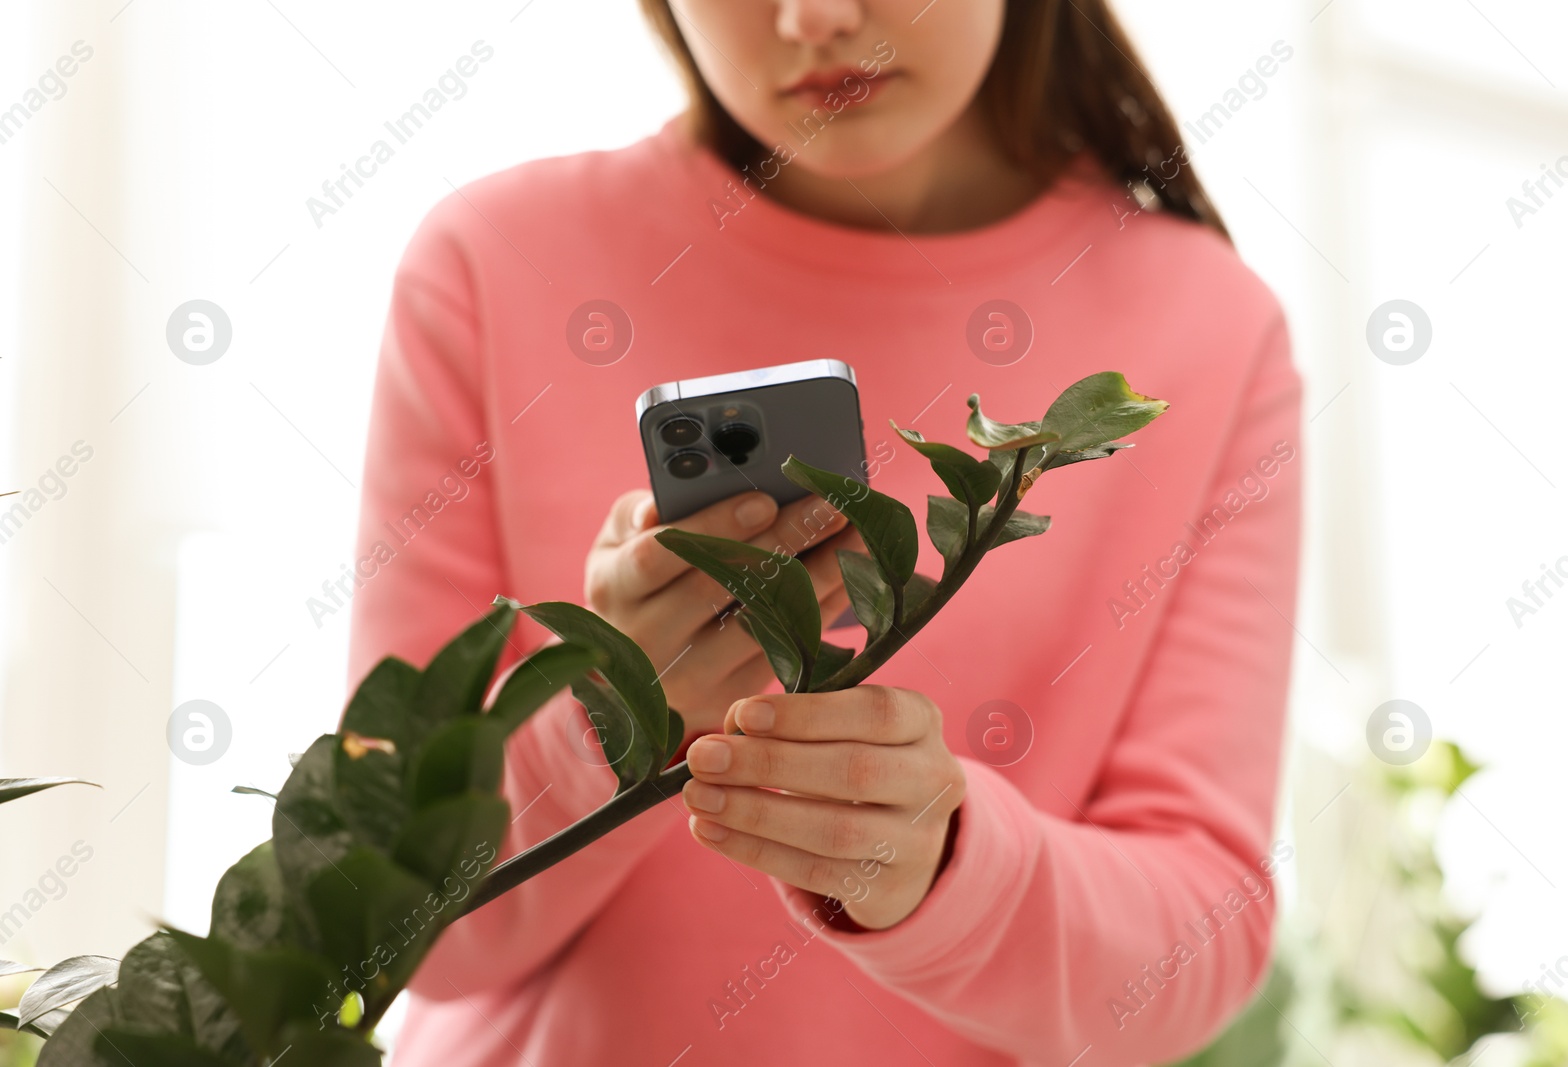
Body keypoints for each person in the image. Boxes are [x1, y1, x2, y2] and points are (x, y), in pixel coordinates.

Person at [349, 0, 1302, 1063]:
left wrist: (943, 864)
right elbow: (384, 919)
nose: (813, 19)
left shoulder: (1205, 324)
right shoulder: (491, 263)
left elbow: (1197, 942)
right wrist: (611, 715)